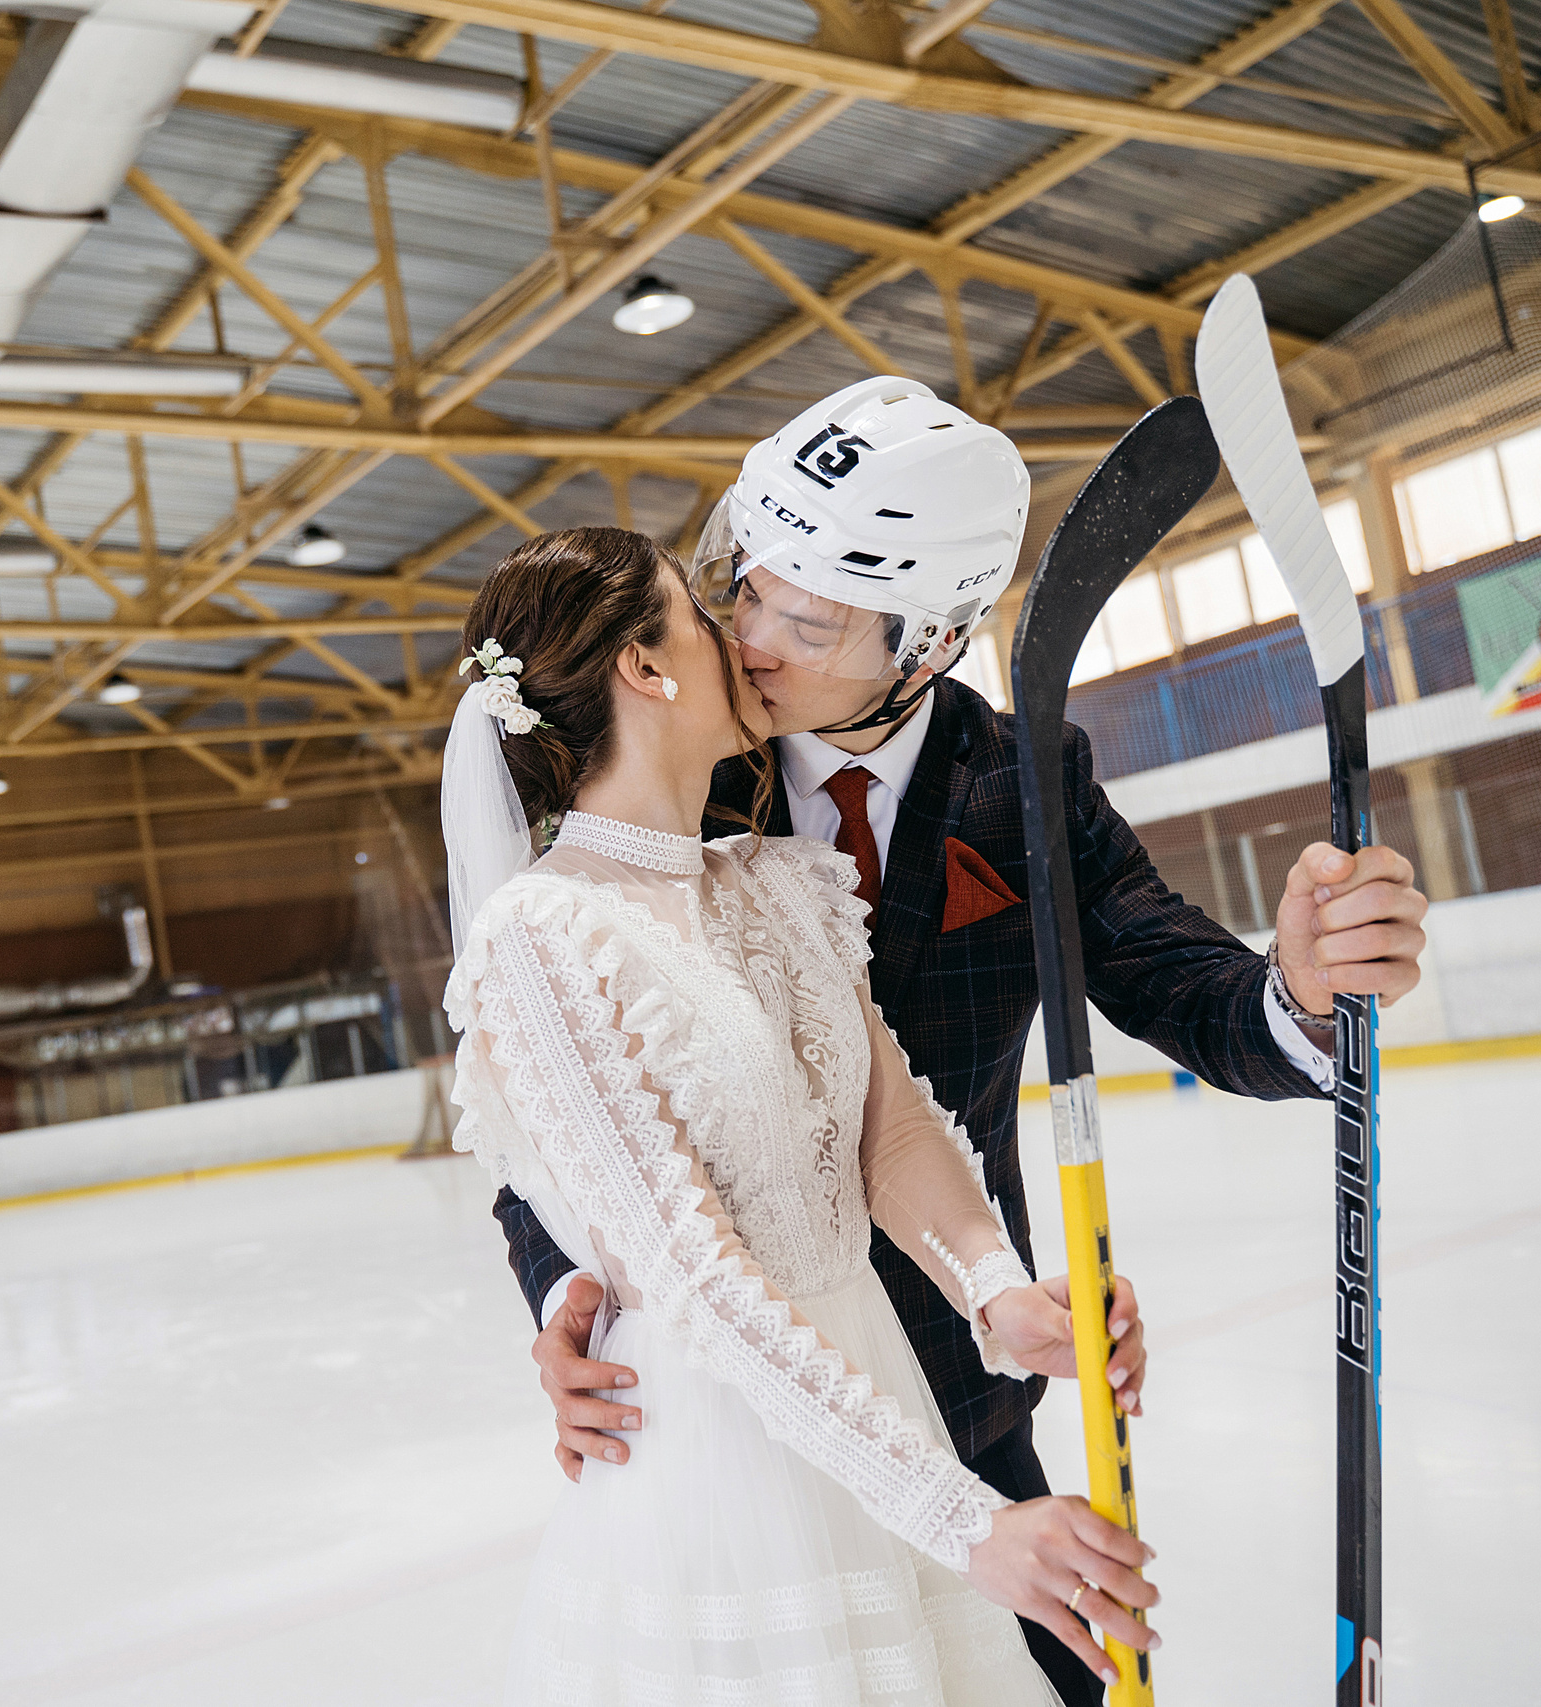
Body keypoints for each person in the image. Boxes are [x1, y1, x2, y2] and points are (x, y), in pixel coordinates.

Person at [496, 378, 1430, 1705]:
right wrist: (562, 1292)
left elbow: (1194, 995)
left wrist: (1309, 983)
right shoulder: (664, 771)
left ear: (925, 645)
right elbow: (553, 1126)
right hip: (739, 1438)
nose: (748, 635)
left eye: (807, 618)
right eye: (744, 584)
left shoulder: (1022, 780)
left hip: (973, 1392)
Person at [443, 527, 1138, 1704]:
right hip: (724, 1458)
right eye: (705, 615)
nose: (745, 639)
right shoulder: (543, 937)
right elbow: (692, 1278)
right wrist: (963, 1520)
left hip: (872, 1387)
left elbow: (894, 1133)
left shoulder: (776, 881)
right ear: (647, 671)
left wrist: (996, 1289)